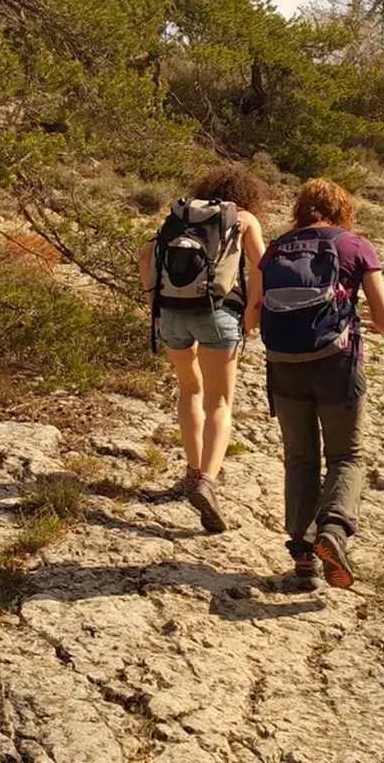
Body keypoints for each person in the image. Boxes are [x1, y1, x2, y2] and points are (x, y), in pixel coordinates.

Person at [257, 178, 384, 589]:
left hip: (284, 366)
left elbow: (252, 316)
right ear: (343, 211)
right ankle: (333, 532)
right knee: (346, 457)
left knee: (299, 458)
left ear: (300, 209)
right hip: (338, 364)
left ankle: (302, 555)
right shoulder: (355, 246)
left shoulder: (275, 249)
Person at [139, 165, 269, 533]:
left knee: (190, 390)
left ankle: (190, 473)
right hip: (220, 314)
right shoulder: (242, 219)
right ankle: (207, 482)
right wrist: (253, 313)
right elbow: (261, 267)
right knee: (220, 402)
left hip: (172, 315)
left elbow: (146, 254)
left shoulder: (181, 215)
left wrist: (154, 303)